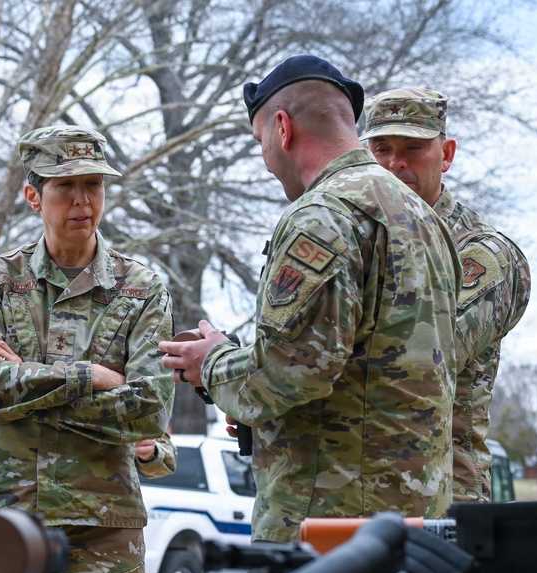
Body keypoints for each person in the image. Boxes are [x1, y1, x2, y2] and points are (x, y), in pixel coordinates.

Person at [159, 56, 460, 544]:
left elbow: (291, 371)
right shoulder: (423, 217)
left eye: (260, 142)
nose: (265, 157)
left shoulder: (322, 216)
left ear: (282, 127)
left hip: (328, 523)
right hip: (416, 518)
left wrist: (210, 362)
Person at [0, 125, 174, 573]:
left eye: (93, 185)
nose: (82, 201)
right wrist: (86, 377)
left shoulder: (142, 288)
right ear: (34, 195)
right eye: (65, 186)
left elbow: (150, 410)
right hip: (4, 511)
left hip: (102, 526)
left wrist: (23, 389)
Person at [360, 88, 531, 503]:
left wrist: (291, 373)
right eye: (381, 148)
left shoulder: (482, 253)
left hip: (440, 493)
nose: (394, 163)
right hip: (349, 488)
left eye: (413, 148)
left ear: (447, 154)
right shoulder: (357, 241)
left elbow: (427, 359)